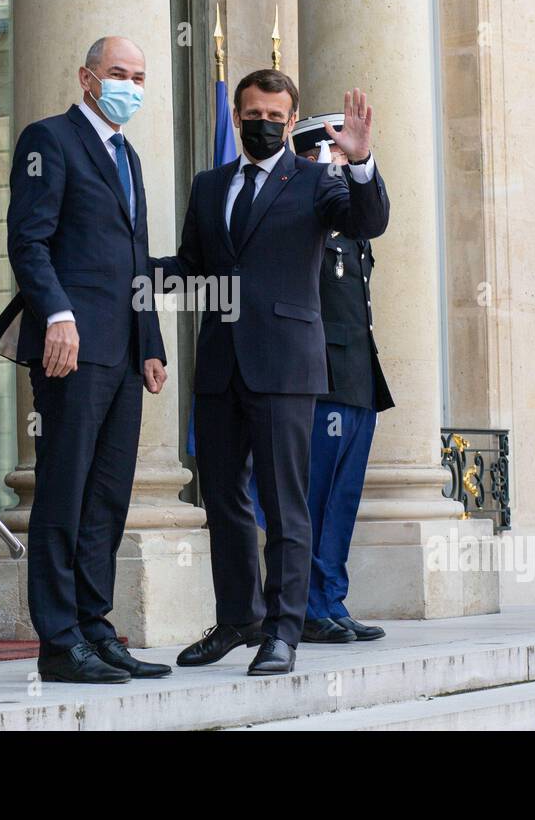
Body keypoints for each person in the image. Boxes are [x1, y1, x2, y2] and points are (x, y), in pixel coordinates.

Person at [152, 72, 389, 675]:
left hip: (285, 365)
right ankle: (238, 618)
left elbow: (366, 221)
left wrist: (359, 162)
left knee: (286, 504)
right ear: (236, 115)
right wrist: (126, 273)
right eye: (252, 112)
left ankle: (283, 630)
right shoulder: (209, 186)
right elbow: (191, 268)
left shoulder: (316, 180)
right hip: (219, 366)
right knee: (225, 500)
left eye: (274, 115)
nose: (262, 122)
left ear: (291, 120)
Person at [0, 36, 171, 684]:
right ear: (87, 77)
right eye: (119, 73)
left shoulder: (129, 156)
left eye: (140, 76)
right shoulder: (49, 140)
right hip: (69, 349)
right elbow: (28, 241)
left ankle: (96, 628)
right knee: (63, 493)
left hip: (122, 353)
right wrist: (57, 314)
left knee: (109, 496)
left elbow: (137, 259)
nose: (131, 85)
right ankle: (59, 642)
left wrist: (152, 344)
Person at [286, 114, 393, 645]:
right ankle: (306, 605)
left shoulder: (351, 225)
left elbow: (376, 214)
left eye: (345, 160)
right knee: (315, 497)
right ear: (309, 160)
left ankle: (331, 598)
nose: (340, 167)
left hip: (356, 378)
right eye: (333, 158)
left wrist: (360, 166)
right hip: (320, 379)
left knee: (343, 497)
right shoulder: (302, 218)